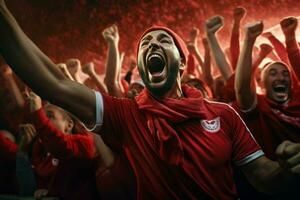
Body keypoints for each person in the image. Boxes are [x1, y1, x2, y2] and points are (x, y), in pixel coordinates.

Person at [0, 1, 300, 199]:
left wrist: (288, 172)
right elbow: (54, 83)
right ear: (143, 67)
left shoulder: (223, 115)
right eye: (146, 44)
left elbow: (264, 175)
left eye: (163, 40)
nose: (151, 45)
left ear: (182, 64)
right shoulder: (127, 115)